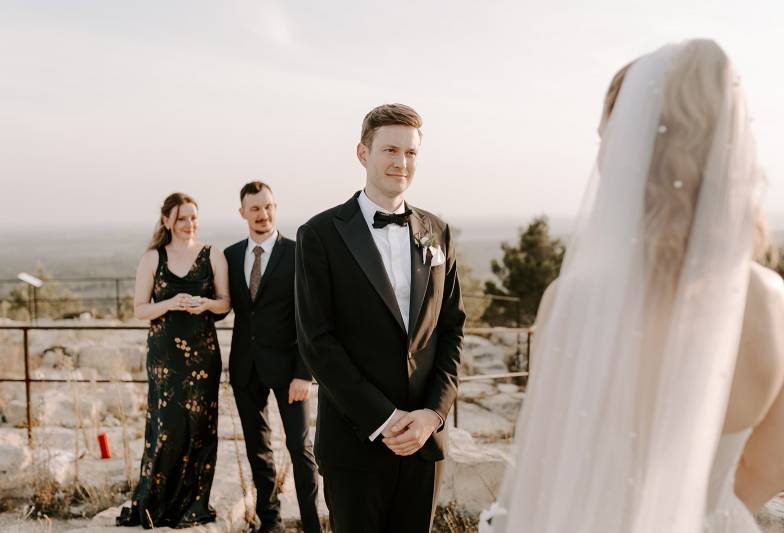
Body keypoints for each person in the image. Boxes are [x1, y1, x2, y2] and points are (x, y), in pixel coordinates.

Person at [480, 40, 784, 533]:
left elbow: (544, 472)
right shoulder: (772, 300)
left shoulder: (573, 302)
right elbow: (769, 464)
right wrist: (701, 514)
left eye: (608, 139)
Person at [294, 103, 466, 533]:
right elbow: (317, 341)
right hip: (356, 443)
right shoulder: (319, 235)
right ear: (362, 153)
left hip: (423, 445)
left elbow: (451, 329)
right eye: (390, 150)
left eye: (410, 153)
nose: (401, 163)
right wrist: (384, 419)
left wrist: (432, 415)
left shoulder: (437, 231)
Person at [118, 192, 230, 528]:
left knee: (199, 428)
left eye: (193, 217)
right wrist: (170, 303)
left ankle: (193, 504)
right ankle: (156, 504)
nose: (189, 224)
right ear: (167, 220)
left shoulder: (214, 255)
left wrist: (205, 304)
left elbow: (225, 303)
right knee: (167, 426)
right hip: (165, 357)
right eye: (182, 218)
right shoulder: (153, 257)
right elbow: (140, 309)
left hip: (202, 355)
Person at [224, 181, 321, 533]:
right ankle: (271, 523)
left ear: (275, 208)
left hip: (290, 371)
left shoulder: (298, 253)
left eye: (267, 207)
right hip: (246, 369)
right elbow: (224, 304)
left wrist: (304, 373)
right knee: (257, 450)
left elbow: (311, 317)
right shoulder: (231, 255)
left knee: (301, 450)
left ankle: (313, 527)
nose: (262, 215)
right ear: (242, 213)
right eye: (255, 209)